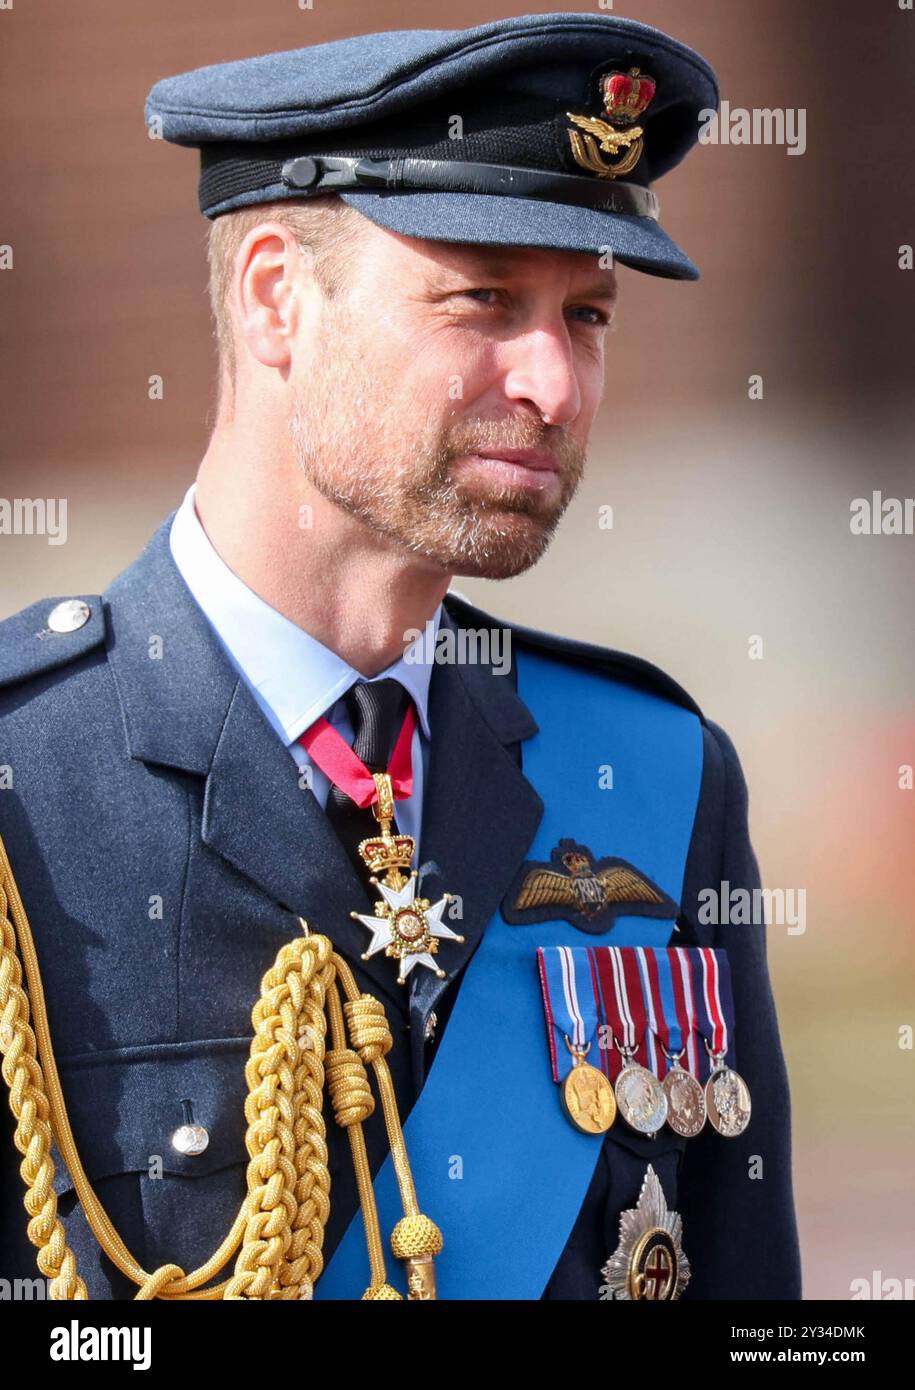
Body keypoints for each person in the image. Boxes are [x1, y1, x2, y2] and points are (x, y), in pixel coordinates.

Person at [0, 11, 802, 1300]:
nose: (556, 381)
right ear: (277, 298)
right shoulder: (22, 786)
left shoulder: (657, 776)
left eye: (587, 315)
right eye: (484, 297)